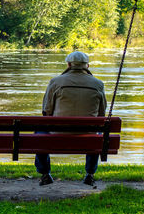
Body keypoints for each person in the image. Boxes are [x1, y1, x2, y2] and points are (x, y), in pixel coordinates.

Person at [36, 51, 107, 186]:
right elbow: (102, 114)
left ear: (68, 65)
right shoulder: (98, 84)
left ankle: (45, 173)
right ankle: (90, 174)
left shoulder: (55, 82)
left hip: (58, 133)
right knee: (98, 134)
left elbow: (46, 111)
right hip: (88, 134)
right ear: (88, 66)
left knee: (38, 132)